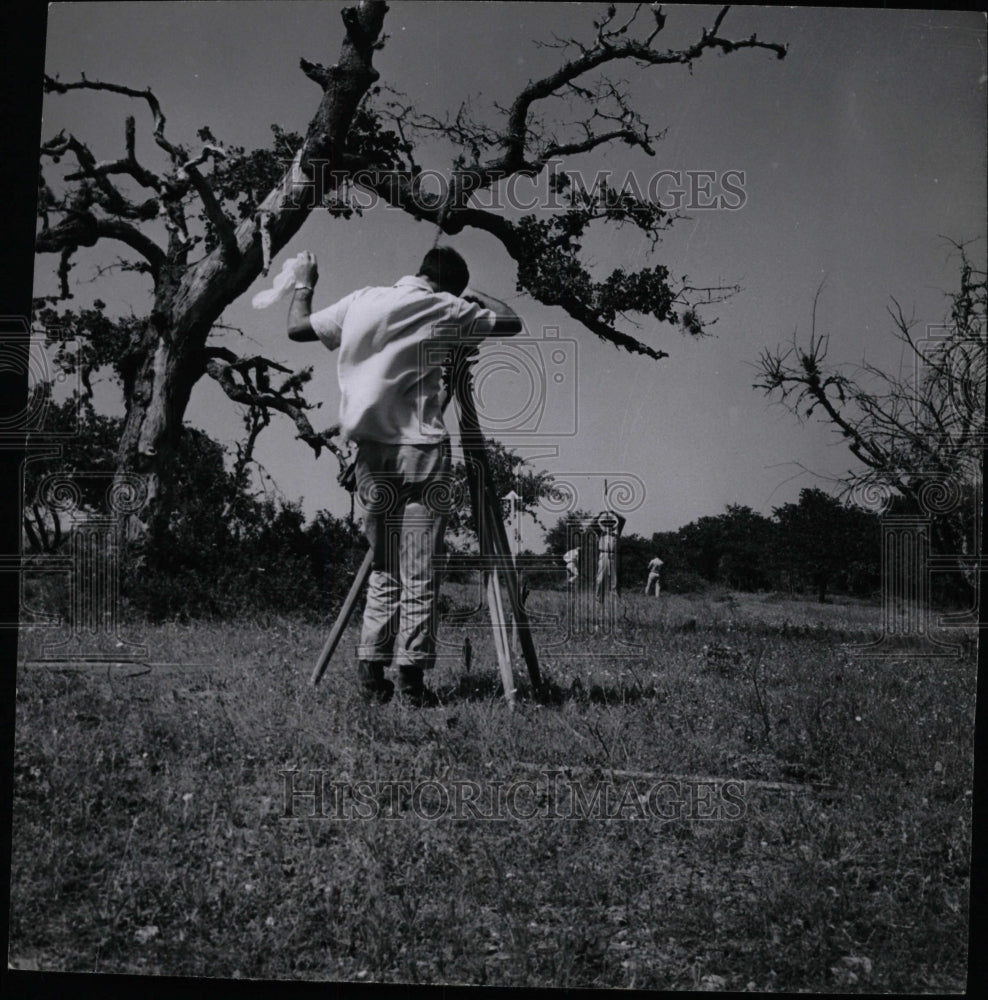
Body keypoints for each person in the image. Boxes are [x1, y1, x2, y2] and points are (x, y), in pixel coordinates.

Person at [287, 246, 521, 705]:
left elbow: (297, 327)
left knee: (385, 567)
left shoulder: (360, 300)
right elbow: (509, 320)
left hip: (370, 454)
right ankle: (411, 684)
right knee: (419, 572)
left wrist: (304, 282)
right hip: (420, 451)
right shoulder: (446, 305)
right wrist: (468, 295)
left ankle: (372, 680)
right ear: (449, 284)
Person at [593, 510, 626, 603]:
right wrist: (600, 513)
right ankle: (598, 600)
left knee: (614, 580)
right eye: (606, 523)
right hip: (603, 555)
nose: (608, 525)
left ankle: (616, 601)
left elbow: (622, 520)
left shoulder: (617, 532)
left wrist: (614, 512)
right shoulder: (600, 533)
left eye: (610, 523)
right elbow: (593, 523)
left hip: (614, 555)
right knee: (600, 579)